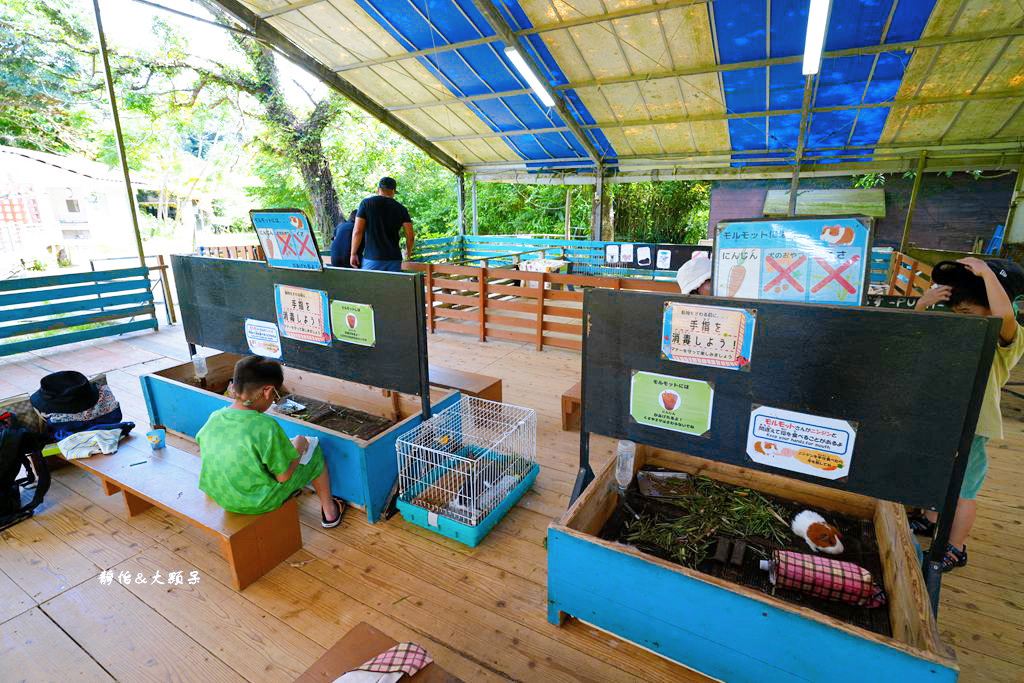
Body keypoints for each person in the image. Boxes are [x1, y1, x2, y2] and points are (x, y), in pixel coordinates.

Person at [912, 257, 1024, 571]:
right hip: (942, 416)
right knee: (935, 472)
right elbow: (912, 335)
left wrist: (987, 273)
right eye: (954, 312)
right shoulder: (958, 332)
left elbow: (1003, 316)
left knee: (963, 489)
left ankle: (955, 547)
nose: (958, 318)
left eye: (966, 313)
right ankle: (933, 520)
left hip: (972, 425)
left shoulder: (1005, 339)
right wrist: (922, 304)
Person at [197, 356, 344, 528]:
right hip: (257, 502)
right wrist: (299, 446)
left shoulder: (215, 417)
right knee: (315, 453)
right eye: (275, 395)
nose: (274, 399)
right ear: (267, 390)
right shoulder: (266, 426)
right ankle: (330, 511)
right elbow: (283, 476)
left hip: (221, 495)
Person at [350, 176, 414, 272]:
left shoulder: (366, 203)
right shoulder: (401, 208)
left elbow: (357, 231)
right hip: (394, 259)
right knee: (393, 286)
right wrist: (408, 254)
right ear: (393, 191)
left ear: (378, 190)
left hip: (372, 258)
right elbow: (410, 236)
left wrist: (353, 253)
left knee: (370, 286)